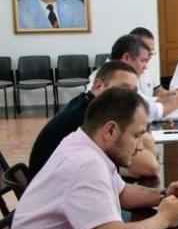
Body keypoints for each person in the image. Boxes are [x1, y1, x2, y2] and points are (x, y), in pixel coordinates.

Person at [10, 88, 178, 229]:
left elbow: (121, 192)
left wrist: (165, 194)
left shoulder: (82, 142)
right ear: (110, 130)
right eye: (136, 136)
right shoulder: (86, 165)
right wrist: (163, 219)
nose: (140, 146)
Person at [28, 61, 159, 180]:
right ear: (98, 85)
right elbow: (149, 167)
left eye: (133, 91)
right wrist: (145, 140)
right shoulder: (90, 117)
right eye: (123, 89)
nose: (129, 98)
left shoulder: (87, 104)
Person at [89, 34, 178, 121]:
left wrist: (171, 98)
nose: (145, 66)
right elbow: (143, 111)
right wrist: (176, 102)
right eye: (143, 61)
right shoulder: (113, 78)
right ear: (127, 58)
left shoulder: (124, 76)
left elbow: (145, 102)